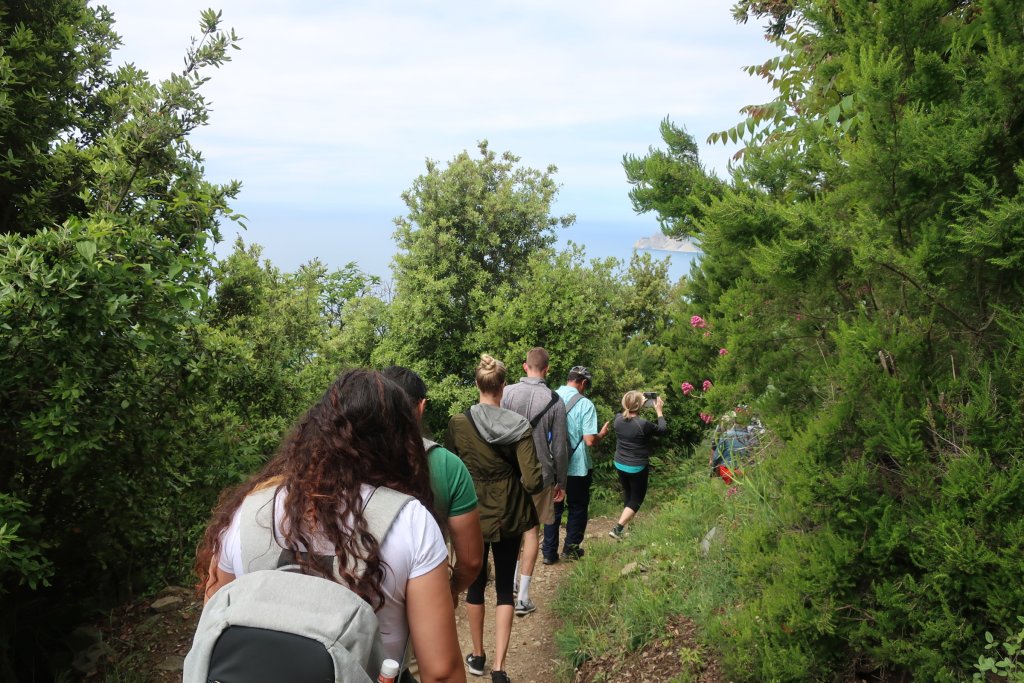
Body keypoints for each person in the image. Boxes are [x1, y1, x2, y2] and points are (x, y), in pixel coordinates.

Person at [195, 370, 465, 683]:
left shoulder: (250, 509)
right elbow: (441, 673)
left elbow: (213, 624)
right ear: (401, 443)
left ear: (316, 431)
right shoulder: (410, 522)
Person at [445, 354, 544, 683]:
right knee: (504, 589)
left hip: (469, 510)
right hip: (509, 515)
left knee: (474, 584)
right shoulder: (519, 427)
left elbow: (452, 466)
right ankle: (500, 669)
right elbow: (532, 482)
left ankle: (477, 656)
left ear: (478, 384)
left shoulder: (458, 424)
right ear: (503, 386)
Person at [382, 365, 484, 603]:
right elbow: (470, 561)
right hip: (429, 594)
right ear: (421, 406)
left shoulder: (347, 461)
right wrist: (450, 589)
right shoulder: (448, 465)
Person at [500, 347, 567, 616]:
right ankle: (524, 596)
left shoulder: (507, 393)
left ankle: (511, 582)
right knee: (531, 531)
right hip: (541, 474)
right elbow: (560, 447)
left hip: (510, 471)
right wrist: (561, 482)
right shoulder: (555, 400)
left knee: (514, 528)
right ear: (547, 369)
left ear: (525, 367)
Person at [547, 366, 609, 562]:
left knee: (553, 507)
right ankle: (570, 550)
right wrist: (602, 435)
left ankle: (548, 553)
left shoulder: (549, 397)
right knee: (577, 506)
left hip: (552, 462)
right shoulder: (586, 404)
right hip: (577, 466)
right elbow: (589, 440)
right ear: (583, 383)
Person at [609, 391, 667, 540]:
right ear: (640, 405)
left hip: (620, 463)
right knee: (636, 499)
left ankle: (629, 526)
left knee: (628, 494)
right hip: (636, 467)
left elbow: (626, 414)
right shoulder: (644, 425)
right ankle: (618, 529)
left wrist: (635, 400)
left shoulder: (617, 419)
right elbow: (662, 430)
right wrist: (659, 411)